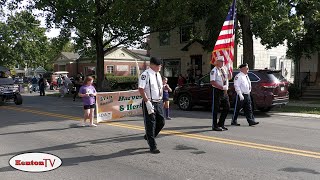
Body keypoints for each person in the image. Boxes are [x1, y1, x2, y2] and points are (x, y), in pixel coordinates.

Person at [138, 57, 165, 154]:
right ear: (152, 65)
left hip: (159, 101)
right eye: (158, 65)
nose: (159, 67)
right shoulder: (145, 74)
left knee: (161, 122)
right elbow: (141, 89)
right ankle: (153, 146)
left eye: (160, 65)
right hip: (149, 102)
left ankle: (149, 136)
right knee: (151, 124)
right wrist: (147, 102)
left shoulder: (158, 74)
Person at [210, 56, 232, 131]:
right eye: (221, 61)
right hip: (217, 90)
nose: (223, 63)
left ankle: (221, 123)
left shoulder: (224, 69)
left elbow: (229, 78)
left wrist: (229, 70)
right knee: (216, 108)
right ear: (217, 62)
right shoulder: (214, 70)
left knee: (227, 107)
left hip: (224, 91)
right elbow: (212, 82)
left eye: (223, 62)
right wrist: (221, 87)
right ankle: (214, 125)